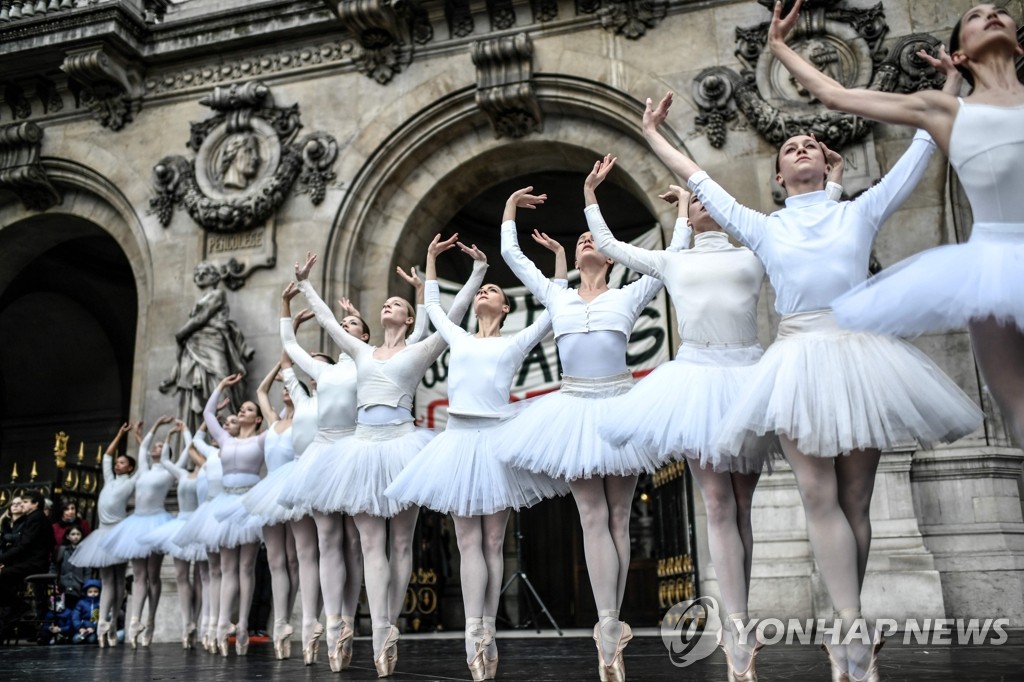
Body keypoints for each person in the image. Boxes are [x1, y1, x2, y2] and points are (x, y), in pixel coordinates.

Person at [640, 61, 982, 679]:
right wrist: (651, 133)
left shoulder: (861, 212)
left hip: (861, 357)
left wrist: (951, 84)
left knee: (857, 502)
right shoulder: (763, 228)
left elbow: (925, 145)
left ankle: (850, 626)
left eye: (810, 145)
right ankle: (850, 635)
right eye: (790, 146)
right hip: (796, 360)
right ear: (778, 174)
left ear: (828, 166)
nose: (800, 147)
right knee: (817, 495)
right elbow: (695, 176)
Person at [768, 0, 1024, 450]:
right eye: (974, 15)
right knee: (1021, 412)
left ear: (1019, 42)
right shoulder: (943, 111)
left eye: (999, 10)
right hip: (996, 264)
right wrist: (778, 45)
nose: (989, 14)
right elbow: (836, 96)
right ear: (960, 54)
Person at [493, 178, 685, 681]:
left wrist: (684, 207)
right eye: (578, 241)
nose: (584, 241)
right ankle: (605, 624)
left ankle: (613, 620)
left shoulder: (630, 292)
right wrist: (510, 208)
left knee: (619, 517)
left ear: (613, 254)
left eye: (591, 238)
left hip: (621, 406)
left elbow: (677, 255)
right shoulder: (556, 297)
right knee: (591, 515)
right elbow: (513, 257)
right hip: (573, 409)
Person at [286, 239, 486, 677]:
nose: (387, 306)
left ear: (410, 317)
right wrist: (304, 285)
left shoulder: (419, 348)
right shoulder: (360, 351)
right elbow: (327, 322)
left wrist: (475, 273)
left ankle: (387, 626)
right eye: (385, 304)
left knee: (400, 543)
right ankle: (372, 630)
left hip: (403, 445)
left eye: (396, 303)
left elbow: (451, 317)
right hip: (360, 449)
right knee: (372, 544)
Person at [384, 231, 570, 680]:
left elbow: (554, 309)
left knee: (492, 543)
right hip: (459, 441)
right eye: (481, 290)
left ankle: (488, 631)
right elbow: (431, 306)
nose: (485, 294)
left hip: (497, 441)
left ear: (505, 308)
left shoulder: (515, 340)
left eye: (492, 292)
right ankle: (474, 634)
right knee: (469, 542)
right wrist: (433, 259)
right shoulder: (458, 335)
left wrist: (560, 259)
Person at [202, 374, 266, 656]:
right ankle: (221, 624)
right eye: (241, 409)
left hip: (249, 503)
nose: (242, 411)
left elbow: (283, 419)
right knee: (227, 568)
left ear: (259, 419)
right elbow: (207, 413)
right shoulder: (224, 439)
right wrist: (220, 387)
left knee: (246, 567)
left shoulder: (264, 438)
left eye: (249, 409)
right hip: (226, 504)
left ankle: (242, 625)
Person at [101, 416, 177, 648]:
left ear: (168, 454)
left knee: (153, 575)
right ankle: (135, 620)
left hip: (157, 522)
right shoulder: (143, 468)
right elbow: (143, 446)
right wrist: (154, 427)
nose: (156, 447)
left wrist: (172, 434)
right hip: (136, 523)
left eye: (161, 447)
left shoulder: (169, 472)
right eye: (156, 445)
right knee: (139, 575)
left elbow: (162, 452)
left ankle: (151, 621)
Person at [68, 423, 140, 647]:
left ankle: (111, 622)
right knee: (108, 581)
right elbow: (107, 456)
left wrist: (138, 438)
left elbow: (145, 465)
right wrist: (119, 434)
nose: (117, 464)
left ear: (129, 468)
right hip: (102, 534)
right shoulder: (110, 480)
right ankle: (103, 625)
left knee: (119, 581)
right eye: (118, 463)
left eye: (122, 462)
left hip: (119, 532)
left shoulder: (131, 482)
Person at [160, 261, 254, 431]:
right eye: (197, 272)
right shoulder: (202, 298)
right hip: (194, 345)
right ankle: (197, 433)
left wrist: (181, 333)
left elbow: (200, 318)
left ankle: (227, 430)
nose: (200, 275)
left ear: (215, 277)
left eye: (205, 272)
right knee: (195, 390)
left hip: (213, 343)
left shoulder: (218, 294)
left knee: (221, 384)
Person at [140, 423, 209, 649]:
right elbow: (167, 461)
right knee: (181, 575)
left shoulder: (208, 475)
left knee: (200, 576)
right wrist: (175, 435)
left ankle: (196, 623)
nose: (196, 455)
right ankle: (186, 622)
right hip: (180, 525)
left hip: (198, 525)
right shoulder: (182, 473)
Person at [0, 490, 56, 623]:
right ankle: (11, 613)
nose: (22, 505)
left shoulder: (36, 518)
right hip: (30, 562)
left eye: (25, 502)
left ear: (35, 504)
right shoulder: (34, 517)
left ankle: (18, 606)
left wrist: (2, 559)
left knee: (3, 575)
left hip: (35, 564)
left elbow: (24, 545)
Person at [56, 526, 91, 609]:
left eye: (78, 534)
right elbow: (55, 566)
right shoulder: (63, 550)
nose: (76, 536)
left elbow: (87, 571)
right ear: (67, 536)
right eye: (73, 534)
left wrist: (86, 586)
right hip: (63, 585)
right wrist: (55, 582)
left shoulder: (85, 552)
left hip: (79, 587)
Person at [71, 579, 102, 644]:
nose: (93, 594)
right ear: (86, 593)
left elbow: (98, 618)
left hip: (93, 629)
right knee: (75, 640)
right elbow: (75, 616)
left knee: (91, 640)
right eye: (90, 592)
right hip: (82, 628)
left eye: (95, 591)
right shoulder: (81, 603)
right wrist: (79, 628)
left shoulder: (99, 603)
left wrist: (94, 628)